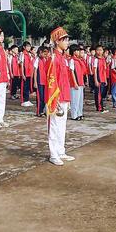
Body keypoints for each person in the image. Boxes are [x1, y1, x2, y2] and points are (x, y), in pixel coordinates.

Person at [46, 26, 75, 166]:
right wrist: (54, 100)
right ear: (57, 41)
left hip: (64, 95)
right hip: (57, 97)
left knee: (62, 126)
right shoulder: (53, 58)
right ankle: (53, 154)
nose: (67, 42)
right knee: (54, 126)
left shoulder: (62, 57)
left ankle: (61, 151)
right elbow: (52, 80)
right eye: (65, 39)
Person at [69, 44, 85, 121]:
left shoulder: (78, 60)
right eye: (78, 51)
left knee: (80, 100)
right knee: (75, 100)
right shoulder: (72, 60)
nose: (79, 52)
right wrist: (75, 83)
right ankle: (74, 115)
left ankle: (79, 113)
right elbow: (72, 72)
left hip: (80, 82)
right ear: (74, 52)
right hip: (75, 83)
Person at [33, 46, 49, 117]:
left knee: (45, 97)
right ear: (40, 53)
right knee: (40, 97)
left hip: (45, 82)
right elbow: (35, 71)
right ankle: (39, 111)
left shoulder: (46, 60)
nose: (46, 55)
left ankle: (44, 110)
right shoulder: (37, 60)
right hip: (39, 81)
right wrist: (35, 82)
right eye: (44, 53)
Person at [93, 45, 108, 113]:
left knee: (102, 94)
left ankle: (101, 106)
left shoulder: (103, 59)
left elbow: (104, 70)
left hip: (103, 78)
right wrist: (95, 80)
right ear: (96, 51)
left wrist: (105, 80)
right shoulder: (96, 60)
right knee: (98, 94)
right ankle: (99, 107)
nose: (99, 51)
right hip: (98, 78)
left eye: (101, 50)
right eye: (98, 50)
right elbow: (95, 70)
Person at [19, 41, 34, 107]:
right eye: (27, 46)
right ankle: (23, 100)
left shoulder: (29, 54)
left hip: (29, 73)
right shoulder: (22, 54)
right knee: (24, 87)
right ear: (24, 47)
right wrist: (22, 73)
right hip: (25, 72)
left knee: (27, 87)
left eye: (29, 46)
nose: (28, 48)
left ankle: (27, 100)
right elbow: (21, 64)